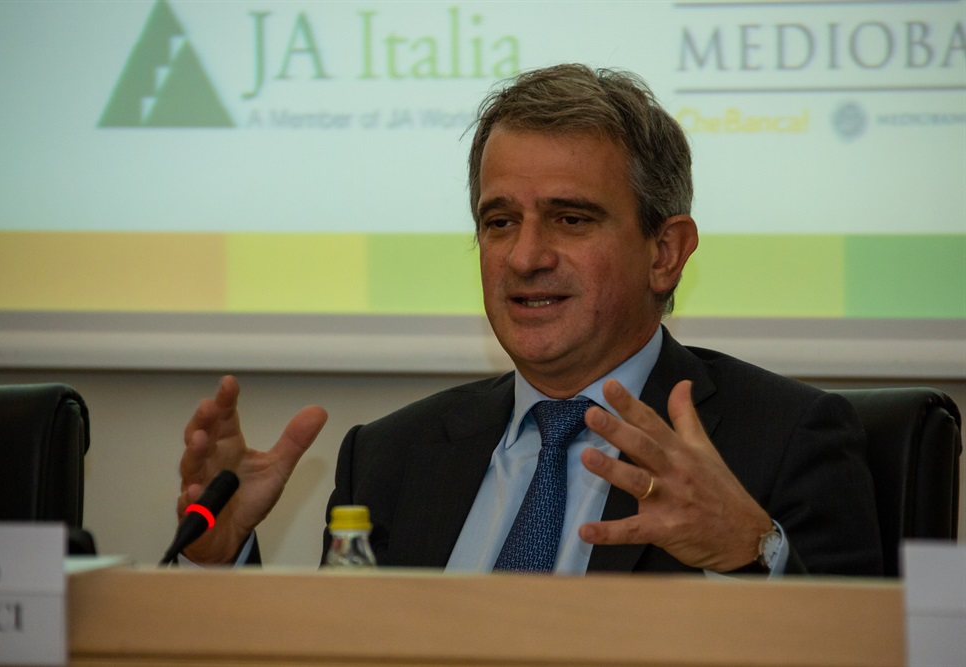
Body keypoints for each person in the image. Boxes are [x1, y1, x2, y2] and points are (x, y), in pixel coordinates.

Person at [179, 64, 883, 575]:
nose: (524, 256)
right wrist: (219, 560)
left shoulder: (784, 441)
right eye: (499, 221)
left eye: (571, 219)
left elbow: (859, 649)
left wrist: (753, 550)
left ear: (664, 253)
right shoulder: (389, 459)